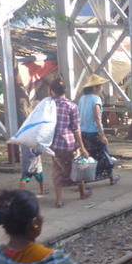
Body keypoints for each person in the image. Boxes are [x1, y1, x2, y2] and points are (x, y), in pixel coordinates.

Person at [49, 78, 91, 208]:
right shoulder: (72, 106)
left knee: (57, 171)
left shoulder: (49, 105)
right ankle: (82, 192)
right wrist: (82, 147)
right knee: (76, 168)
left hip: (54, 145)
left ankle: (59, 200)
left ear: (52, 91)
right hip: (69, 144)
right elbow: (76, 129)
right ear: (65, 91)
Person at [77, 74, 120, 187]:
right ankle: (110, 177)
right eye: (101, 86)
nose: (102, 89)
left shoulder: (82, 99)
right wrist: (102, 134)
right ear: (95, 88)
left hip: (83, 132)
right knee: (104, 154)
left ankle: (85, 180)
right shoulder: (96, 99)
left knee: (89, 155)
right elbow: (97, 117)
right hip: (94, 132)